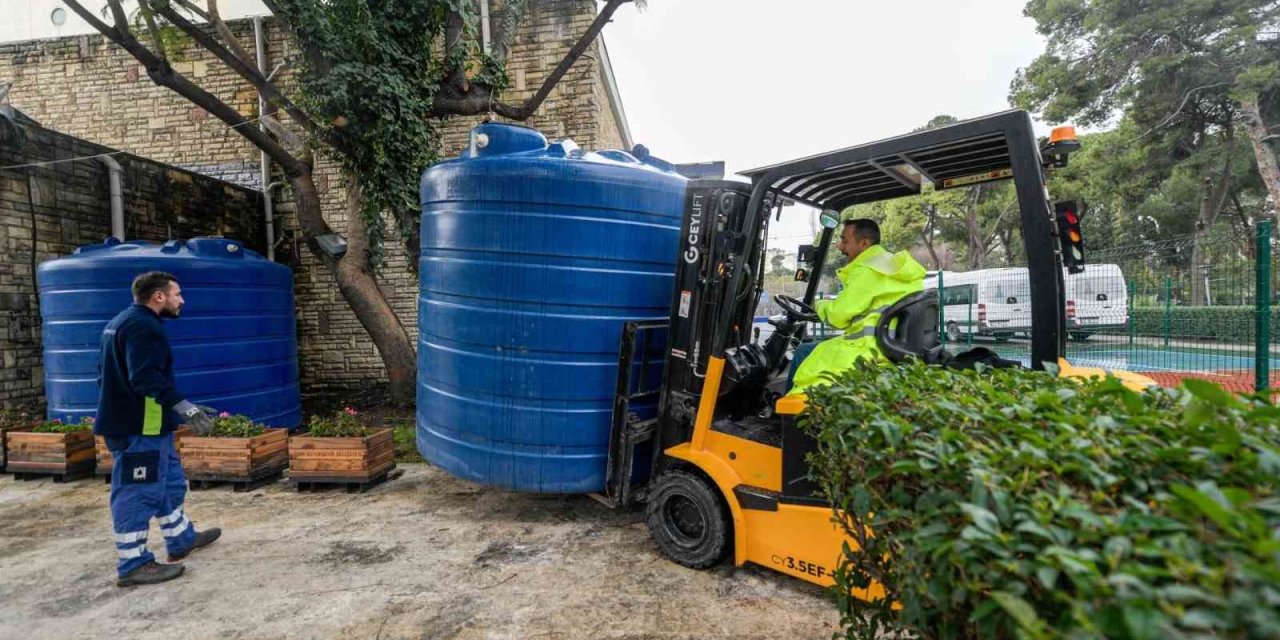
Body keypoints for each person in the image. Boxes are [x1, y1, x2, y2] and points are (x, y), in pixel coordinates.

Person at [97, 271, 221, 587]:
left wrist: (176, 408)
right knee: (137, 493)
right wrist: (184, 406)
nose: (182, 301)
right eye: (177, 294)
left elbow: (105, 373)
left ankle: (180, 538)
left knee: (169, 482)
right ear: (159, 296)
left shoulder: (121, 322)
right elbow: (144, 377)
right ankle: (133, 564)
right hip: (138, 428)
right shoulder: (144, 327)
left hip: (150, 425)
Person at [788, 219, 926, 393]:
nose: (839, 246)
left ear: (864, 244)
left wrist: (819, 305)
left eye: (845, 241)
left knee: (803, 352)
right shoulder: (893, 267)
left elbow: (837, 317)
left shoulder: (867, 270)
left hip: (868, 351)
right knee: (811, 349)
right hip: (892, 347)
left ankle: (784, 408)